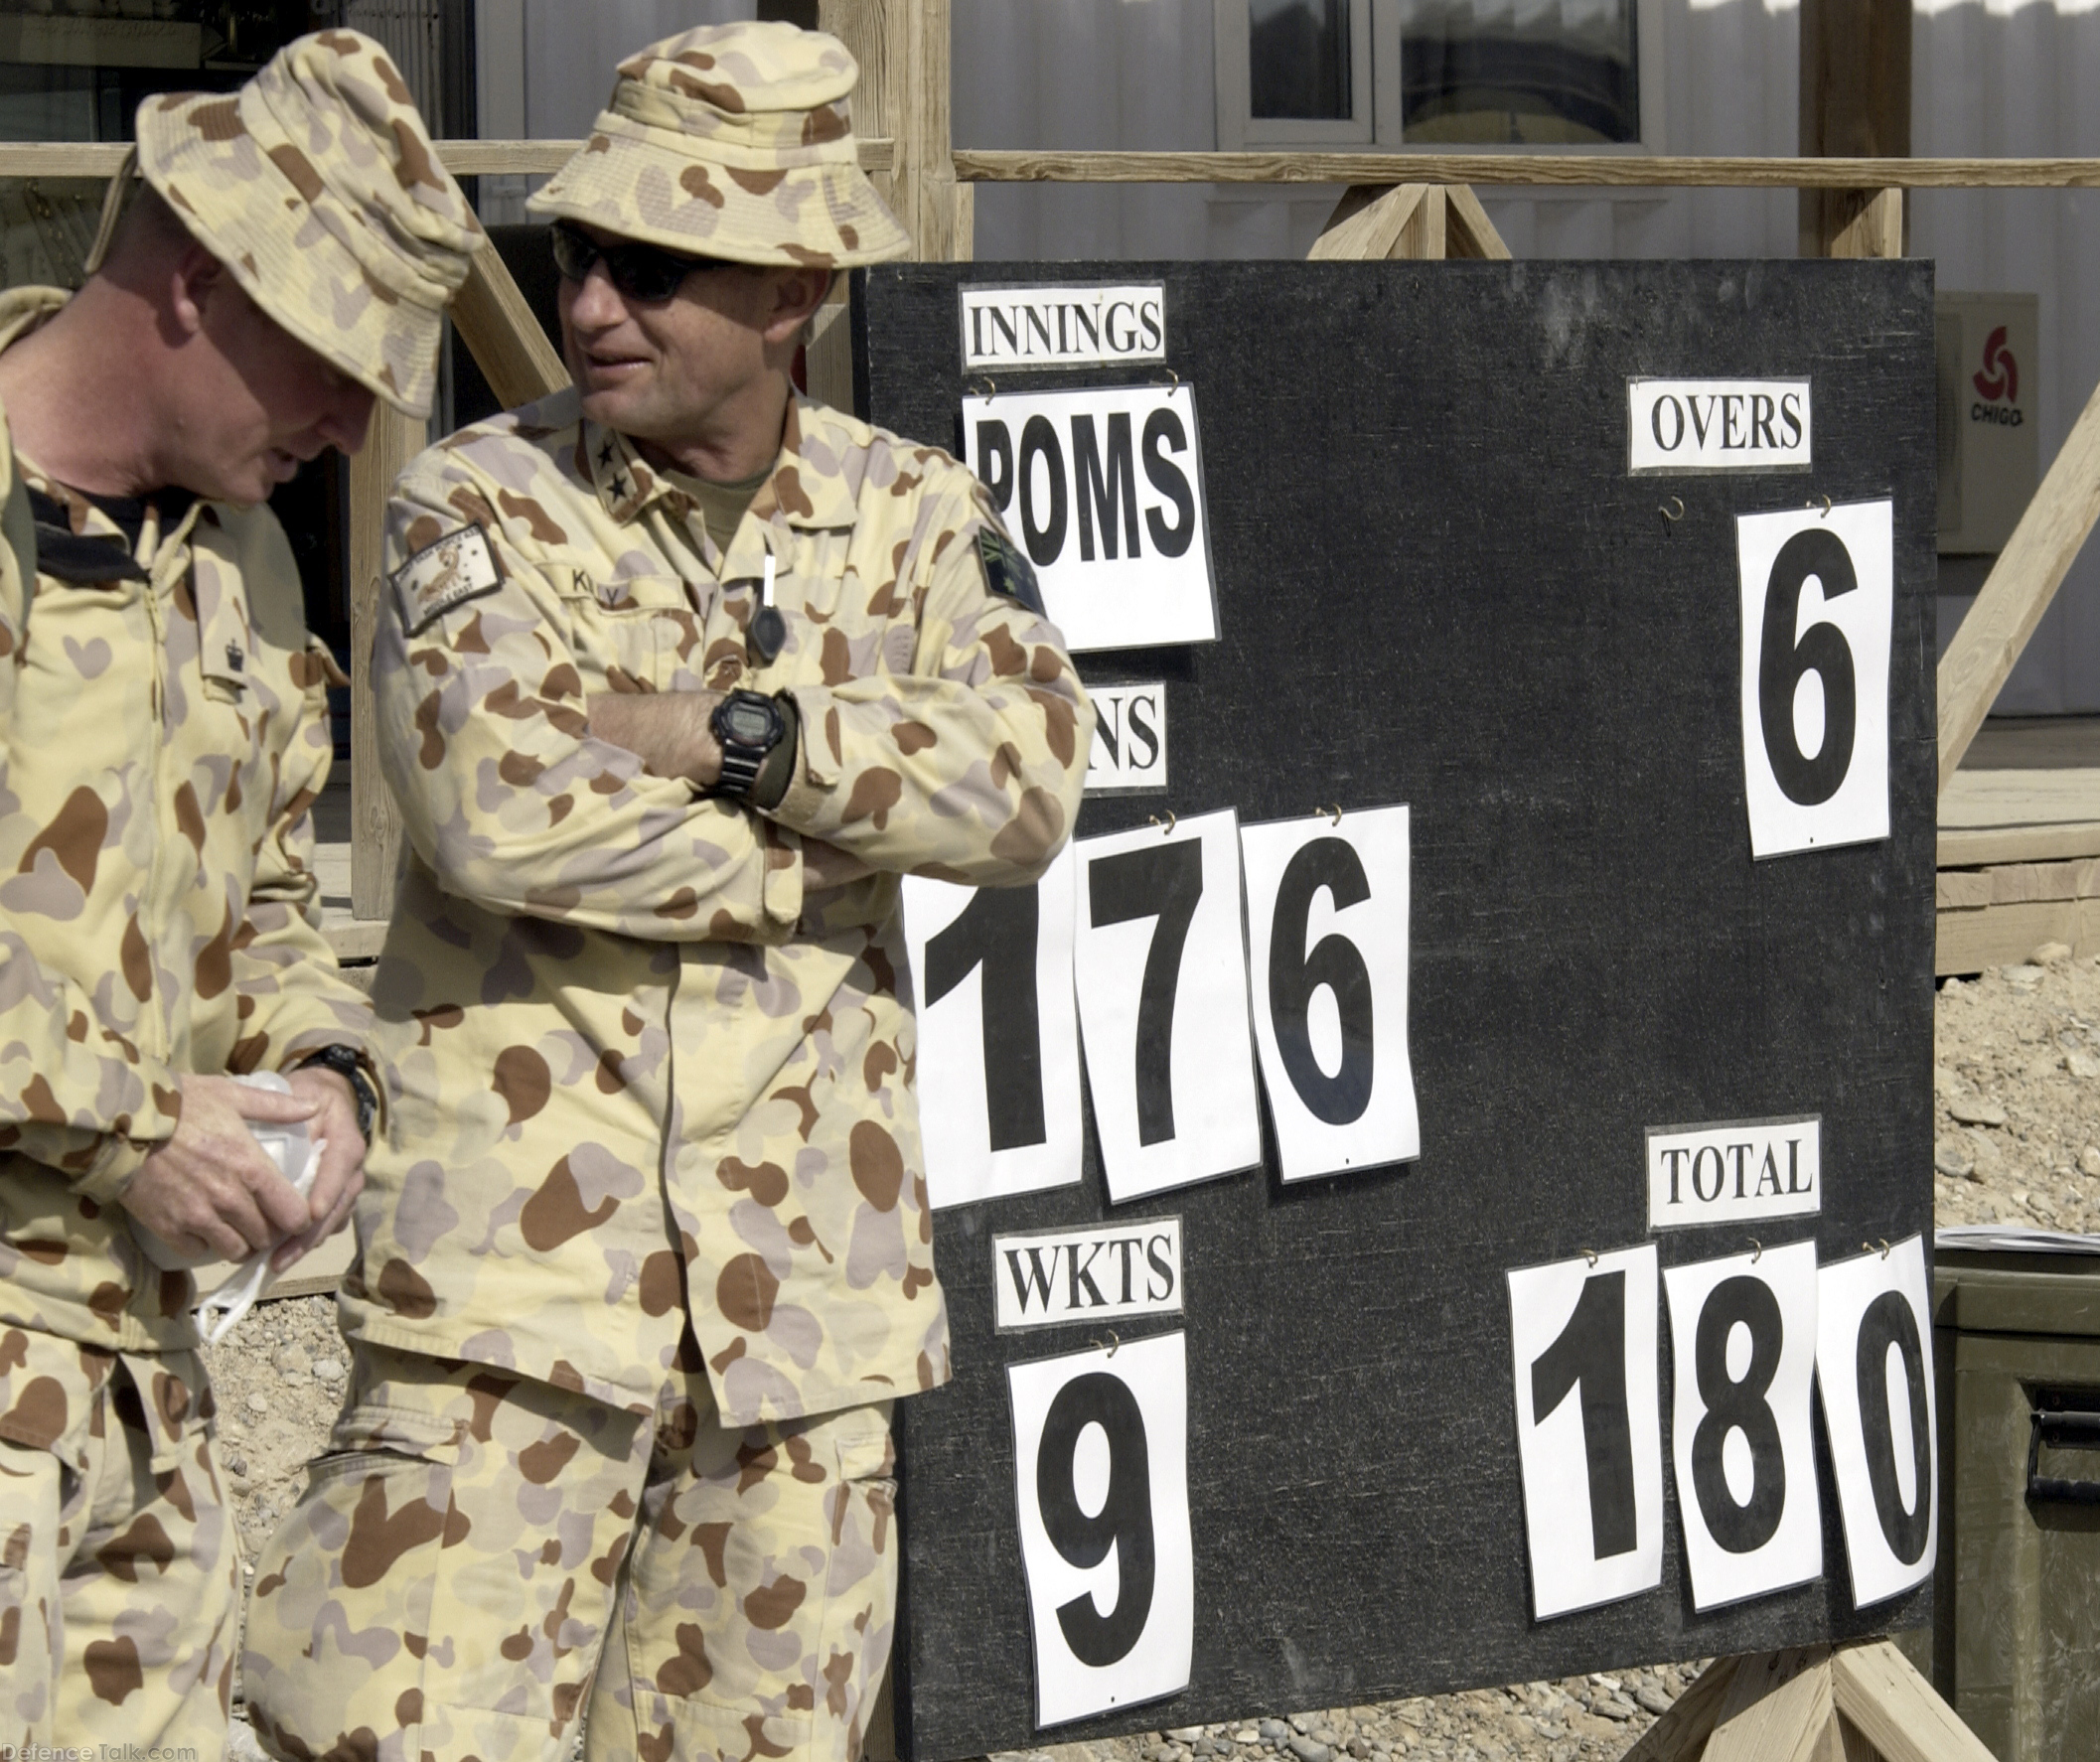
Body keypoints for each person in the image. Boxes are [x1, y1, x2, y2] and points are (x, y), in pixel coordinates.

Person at [242, 20, 1092, 1762]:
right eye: (578, 255)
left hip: (800, 1337)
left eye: (654, 263)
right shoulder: (476, 500)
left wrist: (733, 732)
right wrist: (824, 864)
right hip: (508, 1323)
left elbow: (1030, 785)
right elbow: (489, 809)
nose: (593, 304)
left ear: (794, 288)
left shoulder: (919, 514)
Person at [0, 32, 481, 1752]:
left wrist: (331, 1077)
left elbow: (270, 887)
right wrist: (137, 1123)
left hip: (139, 1387)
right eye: (340, 358)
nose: (353, 419)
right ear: (198, 279)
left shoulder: (241, 558)